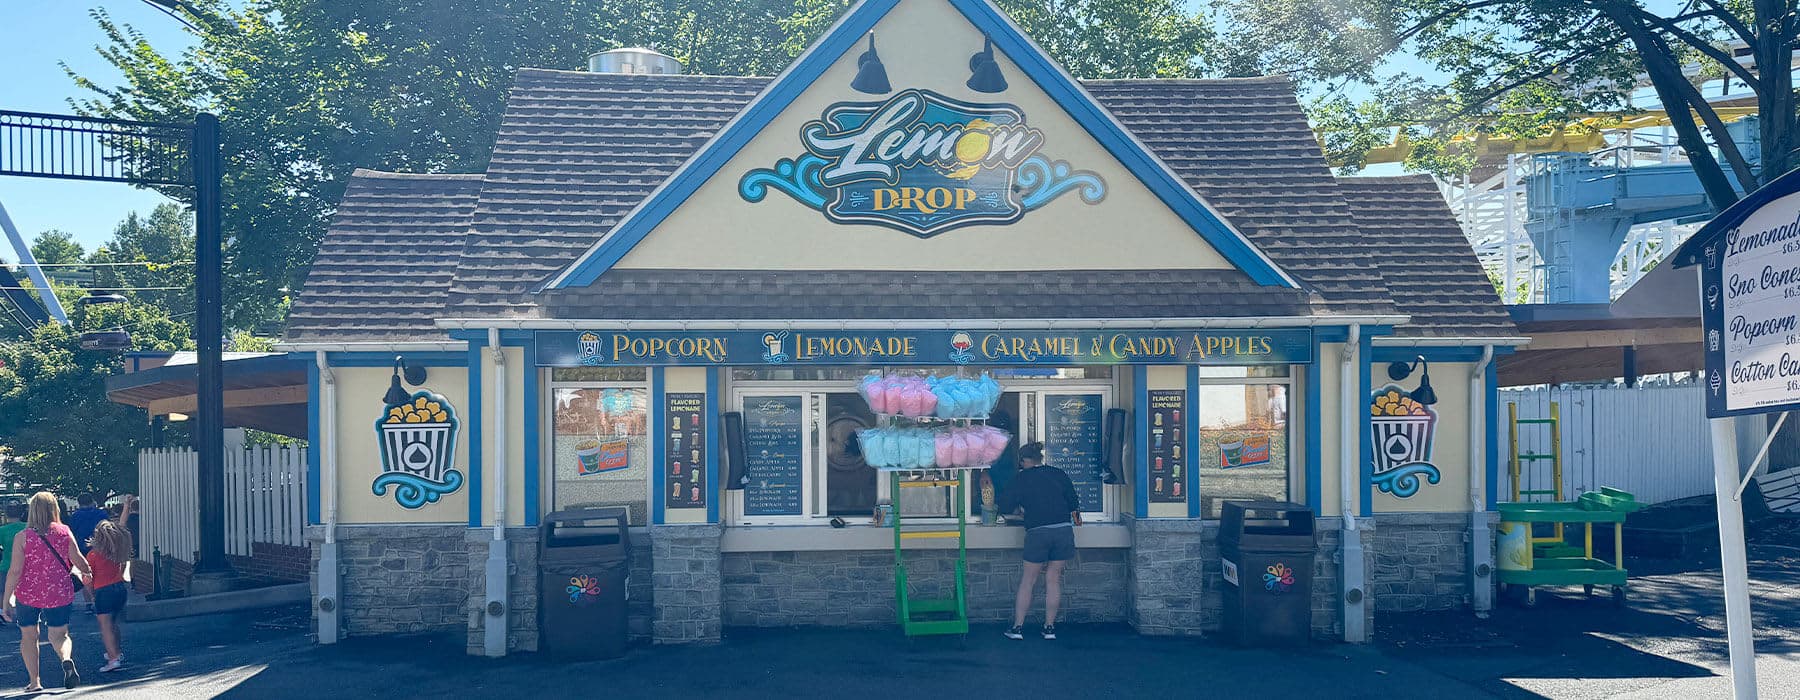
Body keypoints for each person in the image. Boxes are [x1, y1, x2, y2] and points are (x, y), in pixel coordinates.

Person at [4, 492, 92, 691]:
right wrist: (87, 574)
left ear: (32, 510)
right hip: (59, 592)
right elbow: (78, 560)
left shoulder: (22, 537)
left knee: (29, 636)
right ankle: (66, 659)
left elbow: (15, 571)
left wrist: (6, 600)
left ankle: (35, 682)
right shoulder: (64, 532)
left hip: (28, 594)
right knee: (59, 635)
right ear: (55, 509)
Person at [996, 442, 1081, 641]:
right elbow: (1073, 502)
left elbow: (1005, 505)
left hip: (1038, 532)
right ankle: (1049, 628)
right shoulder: (1058, 473)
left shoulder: (1021, 478)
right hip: (1062, 530)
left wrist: (1020, 510)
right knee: (1053, 579)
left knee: (1028, 580)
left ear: (1025, 460)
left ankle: (1017, 628)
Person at [87, 520, 133, 673]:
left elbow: (88, 578)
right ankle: (117, 652)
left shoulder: (93, 555)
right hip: (119, 588)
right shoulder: (117, 552)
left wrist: (92, 595)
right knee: (114, 623)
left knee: (105, 626)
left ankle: (113, 659)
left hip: (103, 591)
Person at [0, 505, 27, 585]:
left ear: (6, 514)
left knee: (2, 594)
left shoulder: (2, 530)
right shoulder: (30, 528)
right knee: (23, 596)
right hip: (26, 569)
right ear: (22, 514)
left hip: (6, 568)